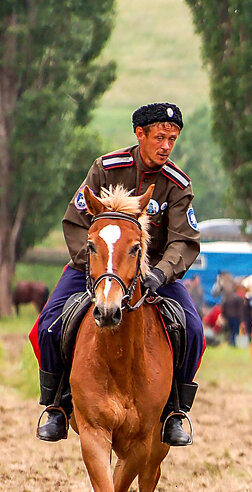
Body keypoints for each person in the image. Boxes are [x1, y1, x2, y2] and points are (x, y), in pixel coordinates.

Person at [32, 102, 205, 446]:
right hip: (95, 266)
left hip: (153, 273)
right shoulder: (106, 168)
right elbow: (75, 221)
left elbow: (184, 241)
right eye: (160, 137)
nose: (167, 146)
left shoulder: (177, 183)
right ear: (139, 134)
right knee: (48, 324)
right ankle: (56, 406)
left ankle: (175, 411)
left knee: (194, 329)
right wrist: (97, 268)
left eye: (173, 139)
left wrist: (159, 274)